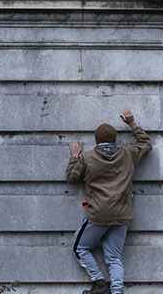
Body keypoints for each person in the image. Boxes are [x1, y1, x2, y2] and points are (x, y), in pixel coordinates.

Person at [66, 109, 152, 294]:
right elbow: (145, 144)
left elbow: (72, 178)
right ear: (115, 139)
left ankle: (98, 282)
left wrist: (74, 158)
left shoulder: (87, 158)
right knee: (114, 258)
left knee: (79, 247)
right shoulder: (128, 153)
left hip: (99, 214)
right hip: (123, 215)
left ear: (96, 140)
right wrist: (132, 124)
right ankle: (117, 291)